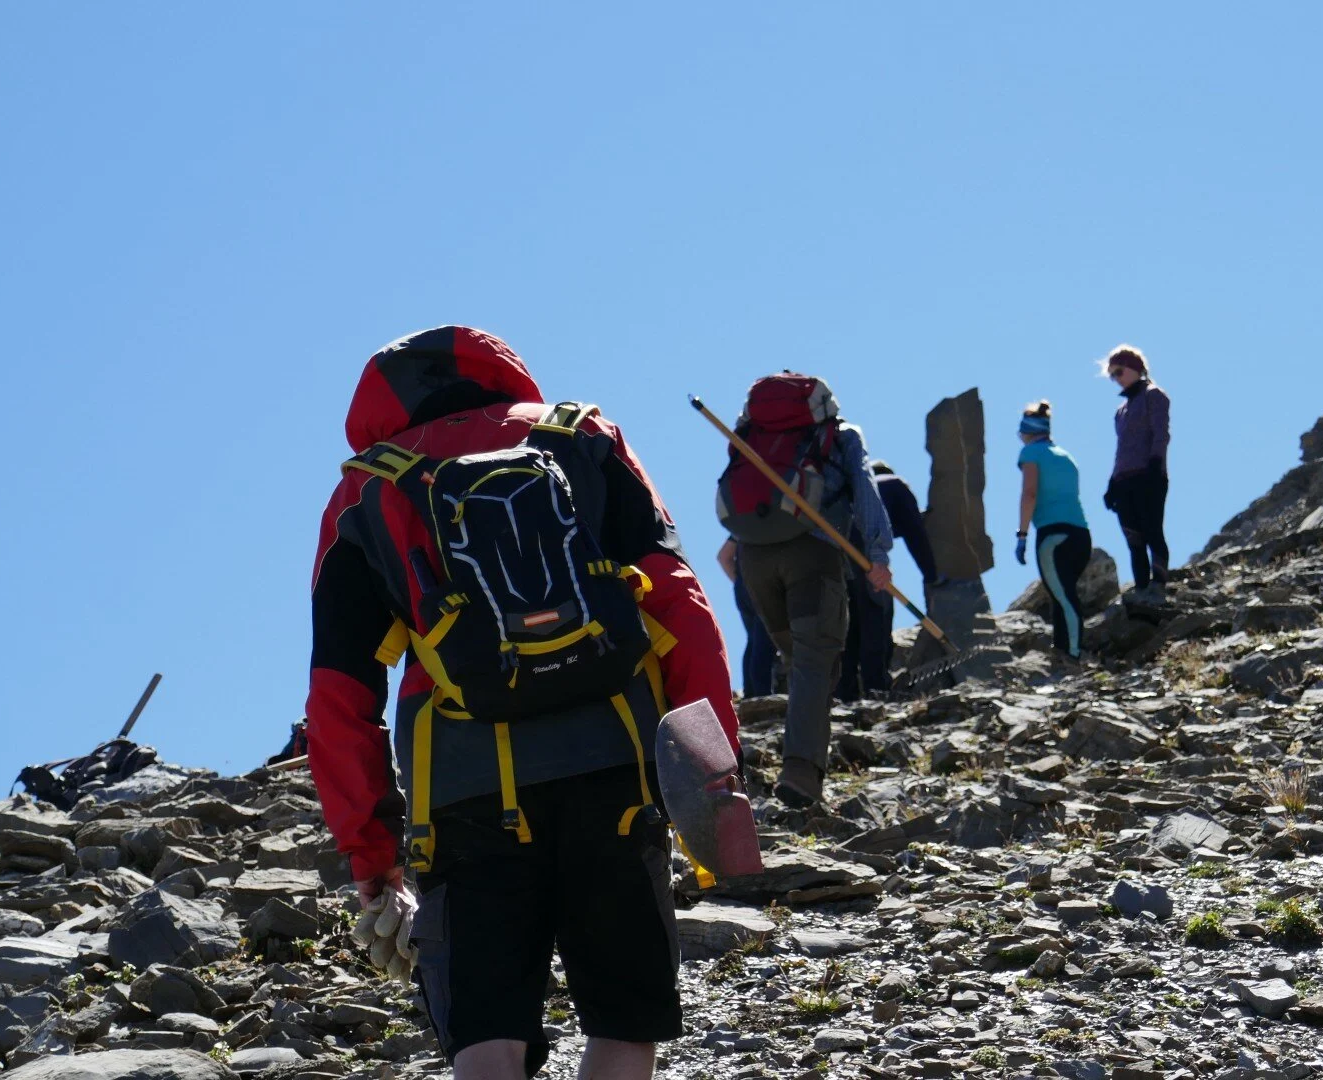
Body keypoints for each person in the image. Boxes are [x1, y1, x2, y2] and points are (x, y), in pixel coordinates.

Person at [306, 326, 739, 1080]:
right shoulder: (582, 438)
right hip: (616, 768)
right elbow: (680, 607)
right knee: (624, 1018)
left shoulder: (368, 489)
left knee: (487, 1034)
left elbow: (341, 696)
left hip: (464, 792)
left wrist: (370, 853)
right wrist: (713, 772)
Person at [715, 373, 892, 809]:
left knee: (799, 662)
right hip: (814, 554)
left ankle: (751, 766)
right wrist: (879, 554)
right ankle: (800, 776)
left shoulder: (752, 436)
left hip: (755, 557)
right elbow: (866, 488)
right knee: (815, 664)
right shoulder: (841, 435)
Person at [836, 462, 938, 702]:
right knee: (876, 616)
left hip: (838, 551)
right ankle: (876, 692)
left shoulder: (854, 491)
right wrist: (932, 576)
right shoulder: (897, 485)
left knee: (850, 624)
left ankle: (846, 695)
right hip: (867, 554)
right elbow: (916, 537)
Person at [1015, 402, 1092, 662]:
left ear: (1027, 431)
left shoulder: (1031, 454)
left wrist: (1022, 535)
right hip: (1081, 535)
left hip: (1053, 536)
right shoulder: (1065, 456)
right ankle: (1062, 649)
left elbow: (1030, 493)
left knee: (1064, 596)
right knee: (1062, 593)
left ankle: (1072, 654)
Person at [1101, 345, 1172, 601]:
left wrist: (1155, 465)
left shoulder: (1155, 396)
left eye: (1119, 372)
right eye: (1112, 375)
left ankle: (1159, 584)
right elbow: (1121, 449)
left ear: (1135, 368)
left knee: (1152, 530)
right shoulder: (1120, 412)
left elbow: (1161, 434)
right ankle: (1141, 588)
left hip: (1149, 474)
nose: (1116, 379)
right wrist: (1112, 484)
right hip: (1124, 480)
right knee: (1133, 537)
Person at [718, 537, 777, 698]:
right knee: (764, 640)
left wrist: (740, 584)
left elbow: (724, 557)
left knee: (754, 640)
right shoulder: (774, 521)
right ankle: (761, 695)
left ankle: (752, 694)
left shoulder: (744, 523)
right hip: (762, 585)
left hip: (743, 585)